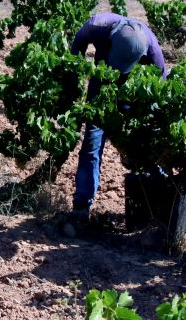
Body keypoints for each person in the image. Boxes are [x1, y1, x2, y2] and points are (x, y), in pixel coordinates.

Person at [70, 13, 167, 221]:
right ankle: (82, 206)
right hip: (99, 90)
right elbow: (77, 45)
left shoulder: (152, 50)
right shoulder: (97, 25)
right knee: (91, 145)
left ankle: (154, 203)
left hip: (130, 94)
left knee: (144, 148)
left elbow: (162, 88)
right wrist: (73, 80)